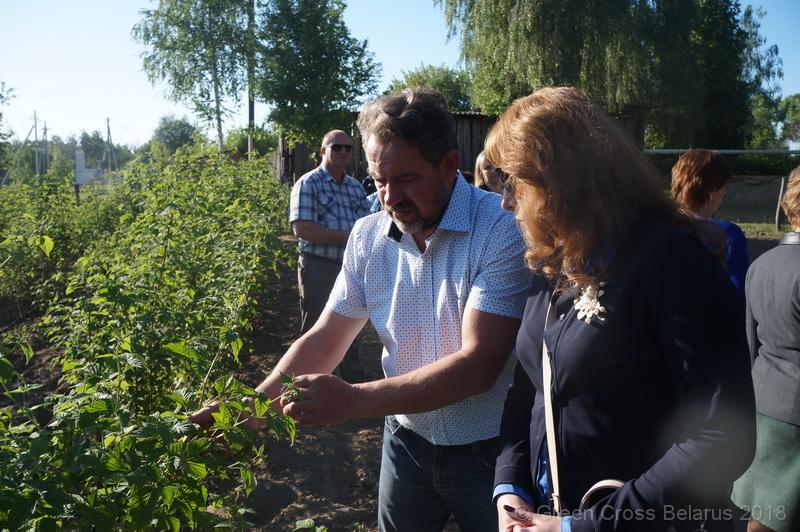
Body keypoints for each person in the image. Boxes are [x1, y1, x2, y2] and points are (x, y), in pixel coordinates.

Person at [192, 88, 530, 531]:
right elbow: (326, 338)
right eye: (378, 180)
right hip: (407, 443)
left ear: (449, 165)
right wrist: (251, 409)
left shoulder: (500, 230)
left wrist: (353, 400)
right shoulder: (368, 236)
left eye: (405, 179)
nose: (389, 197)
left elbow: (477, 367)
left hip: (490, 451)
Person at [485, 87, 756, 532]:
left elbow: (721, 435)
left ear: (560, 183)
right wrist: (510, 487)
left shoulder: (672, 262)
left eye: (514, 182)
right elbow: (530, 386)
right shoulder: (553, 261)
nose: (505, 201)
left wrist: (583, 527)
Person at [731, 165, 800, 532]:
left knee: (762, 517)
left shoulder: (760, 265)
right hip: (796, 423)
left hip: (763, 404)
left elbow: (749, 340)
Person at [289, 129, 370, 382]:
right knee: (315, 326)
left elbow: (367, 225)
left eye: (348, 148)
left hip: (349, 267)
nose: (343, 152)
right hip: (318, 265)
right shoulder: (308, 183)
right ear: (323, 151)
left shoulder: (355, 187)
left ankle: (351, 383)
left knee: (351, 323)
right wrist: (349, 237)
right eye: (337, 147)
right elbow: (302, 229)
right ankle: (305, 385)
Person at [671, 149, 749, 297]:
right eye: (723, 188)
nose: (723, 195)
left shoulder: (655, 229)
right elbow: (737, 296)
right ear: (713, 189)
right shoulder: (727, 234)